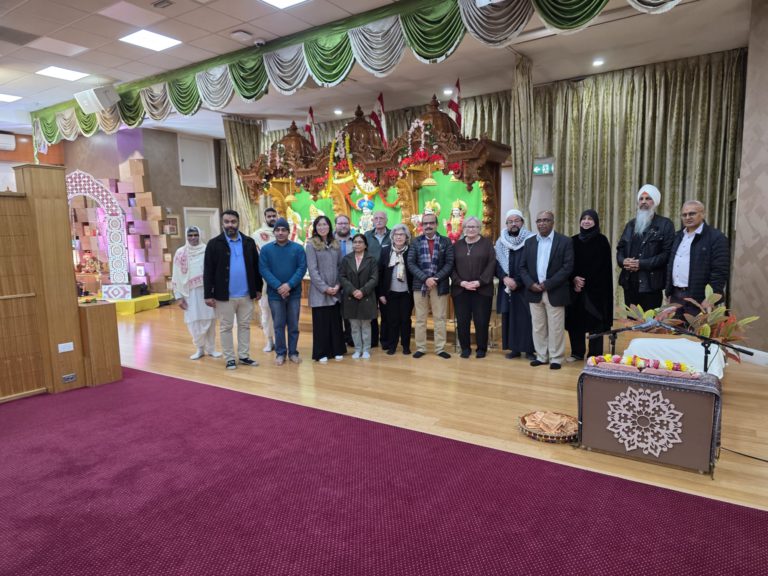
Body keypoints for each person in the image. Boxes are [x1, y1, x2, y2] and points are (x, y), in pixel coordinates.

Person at [203, 210, 263, 370]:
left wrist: (258, 288)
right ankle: (229, 358)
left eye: (233, 222)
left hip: (246, 295)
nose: (230, 225)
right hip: (224, 296)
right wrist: (208, 294)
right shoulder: (214, 244)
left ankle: (244, 356)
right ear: (222, 223)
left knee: (244, 326)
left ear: (238, 222)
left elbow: (256, 268)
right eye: (227, 222)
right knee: (225, 327)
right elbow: (208, 270)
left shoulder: (249, 242)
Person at [519, 210, 574, 370]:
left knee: (556, 327)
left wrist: (547, 284)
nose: (542, 223)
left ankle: (556, 358)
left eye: (546, 220)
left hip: (555, 291)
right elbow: (522, 268)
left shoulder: (564, 241)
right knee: (538, 326)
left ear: (553, 222)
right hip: (534, 291)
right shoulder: (529, 242)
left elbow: (567, 267)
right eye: (539, 220)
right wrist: (531, 284)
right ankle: (541, 356)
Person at [667, 200, 730, 320]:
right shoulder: (678, 236)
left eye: (692, 213)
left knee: (696, 336)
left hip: (700, 298)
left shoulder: (716, 238)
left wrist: (710, 298)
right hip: (676, 296)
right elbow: (671, 265)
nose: (687, 217)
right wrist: (669, 292)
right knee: (674, 334)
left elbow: (720, 271)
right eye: (684, 215)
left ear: (703, 214)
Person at [616, 184, 675, 310]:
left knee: (649, 326)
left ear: (655, 202)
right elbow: (620, 248)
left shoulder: (665, 224)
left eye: (648, 199)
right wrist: (623, 261)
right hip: (630, 284)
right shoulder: (630, 225)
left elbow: (667, 254)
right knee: (631, 324)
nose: (644, 202)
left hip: (651, 285)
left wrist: (641, 264)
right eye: (641, 199)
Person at [565, 210, 614, 361]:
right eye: (583, 218)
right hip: (575, 290)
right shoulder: (572, 241)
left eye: (590, 219)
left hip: (596, 290)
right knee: (576, 322)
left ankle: (594, 355)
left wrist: (586, 282)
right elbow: (567, 264)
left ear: (596, 222)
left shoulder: (602, 241)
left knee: (596, 322)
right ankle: (577, 352)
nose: (586, 221)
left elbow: (604, 268)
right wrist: (574, 279)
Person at [259, 218, 307, 366]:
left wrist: (289, 285)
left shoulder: (298, 249)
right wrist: (279, 286)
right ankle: (280, 353)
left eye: (283, 230)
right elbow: (264, 270)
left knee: (293, 325)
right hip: (275, 294)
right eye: (278, 230)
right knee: (278, 325)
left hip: (293, 293)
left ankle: (293, 352)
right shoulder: (266, 250)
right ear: (274, 232)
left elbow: (301, 268)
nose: (280, 233)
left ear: (288, 232)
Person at [407, 211, 455, 359]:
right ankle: (421, 347)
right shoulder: (415, 241)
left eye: (431, 223)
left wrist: (436, 279)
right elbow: (411, 263)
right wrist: (425, 279)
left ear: (436, 224)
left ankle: (440, 348)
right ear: (422, 225)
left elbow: (449, 263)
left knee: (439, 318)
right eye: (425, 223)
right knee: (420, 318)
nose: (428, 226)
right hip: (419, 285)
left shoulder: (446, 241)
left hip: (439, 286)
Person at [172, 227, 221, 360]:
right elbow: (176, 275)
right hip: (189, 293)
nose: (193, 238)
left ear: (200, 235)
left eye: (195, 235)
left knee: (210, 320)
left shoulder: (207, 250)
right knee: (193, 322)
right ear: (186, 236)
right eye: (190, 235)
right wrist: (178, 296)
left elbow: (214, 271)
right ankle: (199, 349)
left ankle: (211, 349)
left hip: (206, 292)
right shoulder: (180, 252)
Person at [451, 216, 496, 358]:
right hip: (461, 290)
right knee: (462, 321)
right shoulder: (456, 246)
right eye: (468, 227)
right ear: (463, 229)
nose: (471, 229)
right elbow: (451, 267)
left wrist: (480, 282)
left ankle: (481, 348)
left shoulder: (487, 244)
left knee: (481, 320)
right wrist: (461, 282)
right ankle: (465, 348)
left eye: (474, 227)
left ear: (479, 229)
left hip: (482, 290)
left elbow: (492, 264)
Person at [495, 209, 535, 360]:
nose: (513, 224)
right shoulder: (500, 241)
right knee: (509, 317)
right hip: (507, 286)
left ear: (522, 222)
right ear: (506, 224)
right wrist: (505, 278)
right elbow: (496, 263)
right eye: (510, 221)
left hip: (525, 286)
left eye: (516, 221)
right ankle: (514, 349)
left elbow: (532, 264)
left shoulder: (531, 240)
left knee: (527, 319)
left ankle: (530, 350)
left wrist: (517, 282)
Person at [305, 215, 346, 363]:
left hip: (335, 289)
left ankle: (337, 350)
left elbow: (341, 267)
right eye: (319, 225)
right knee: (321, 323)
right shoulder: (311, 245)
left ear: (329, 227)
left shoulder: (335, 244)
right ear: (315, 228)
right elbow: (312, 270)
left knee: (335, 322)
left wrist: (337, 285)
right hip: (320, 292)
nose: (322, 227)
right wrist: (325, 288)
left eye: (325, 224)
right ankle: (321, 352)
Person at [339, 234, 379, 359]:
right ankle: (357, 349)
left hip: (366, 296)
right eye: (355, 242)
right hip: (351, 297)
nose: (357, 244)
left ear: (365, 245)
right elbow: (342, 277)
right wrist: (353, 291)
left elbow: (374, 278)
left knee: (366, 325)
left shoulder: (371, 259)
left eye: (360, 242)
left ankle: (366, 349)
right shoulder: (346, 259)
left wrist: (362, 291)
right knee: (354, 326)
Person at [377, 223, 414, 355]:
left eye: (402, 234)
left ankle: (405, 346)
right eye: (396, 234)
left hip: (406, 293)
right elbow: (380, 273)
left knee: (405, 320)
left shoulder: (411, 250)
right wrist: (380, 293)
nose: (399, 237)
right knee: (392, 320)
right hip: (390, 293)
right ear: (392, 236)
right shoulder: (386, 251)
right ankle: (392, 345)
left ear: (406, 237)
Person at [365, 210, 391, 349]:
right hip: (370, 278)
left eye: (381, 218)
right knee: (372, 311)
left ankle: (386, 341)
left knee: (386, 311)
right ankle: (373, 340)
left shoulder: (392, 235)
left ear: (386, 220)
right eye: (376, 218)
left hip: (387, 279)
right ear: (373, 221)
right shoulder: (367, 236)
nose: (379, 220)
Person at [253, 207, 278, 352]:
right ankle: (269, 341)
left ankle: (280, 341)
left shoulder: (282, 232)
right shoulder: (257, 235)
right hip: (265, 282)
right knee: (266, 312)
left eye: (274, 216)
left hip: (281, 280)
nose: (272, 218)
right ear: (265, 218)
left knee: (281, 314)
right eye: (269, 216)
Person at [335, 214, 355, 347]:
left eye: (345, 223)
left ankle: (351, 338)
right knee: (335, 313)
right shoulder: (328, 241)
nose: (343, 226)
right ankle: (337, 340)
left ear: (349, 225)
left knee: (350, 312)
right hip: (333, 282)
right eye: (340, 223)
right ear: (335, 225)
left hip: (351, 282)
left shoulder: (356, 240)